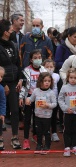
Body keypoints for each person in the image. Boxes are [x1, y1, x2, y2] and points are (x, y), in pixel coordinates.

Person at [0, 19, 22, 149]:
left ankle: (15, 137)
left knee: (15, 110)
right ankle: (0, 138)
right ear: (5, 32)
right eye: (10, 29)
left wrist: (20, 79)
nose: (13, 31)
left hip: (14, 82)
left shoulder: (13, 45)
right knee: (1, 111)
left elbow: (18, 63)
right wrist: (3, 84)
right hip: (2, 83)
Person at [19, 49, 47, 150]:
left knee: (37, 118)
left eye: (39, 58)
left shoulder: (44, 70)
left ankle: (36, 135)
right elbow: (23, 86)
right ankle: (26, 139)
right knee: (27, 119)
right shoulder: (26, 70)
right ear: (31, 59)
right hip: (29, 97)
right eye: (35, 58)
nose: (38, 60)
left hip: (40, 98)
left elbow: (47, 84)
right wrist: (21, 97)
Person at [25, 72, 57, 152]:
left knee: (46, 132)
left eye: (49, 81)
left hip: (47, 117)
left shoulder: (51, 93)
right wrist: (28, 100)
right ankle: (39, 144)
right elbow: (31, 99)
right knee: (38, 132)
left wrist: (48, 105)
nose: (47, 82)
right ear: (40, 81)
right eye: (45, 81)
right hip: (37, 116)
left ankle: (47, 145)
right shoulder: (36, 91)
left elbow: (55, 104)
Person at [58, 68, 76, 157]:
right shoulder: (64, 87)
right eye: (71, 77)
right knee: (67, 130)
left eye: (75, 78)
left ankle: (75, 146)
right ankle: (67, 147)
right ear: (68, 78)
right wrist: (65, 108)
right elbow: (60, 99)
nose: (73, 79)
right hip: (68, 113)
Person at [42, 59, 60, 142]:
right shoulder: (41, 75)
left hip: (54, 100)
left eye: (51, 67)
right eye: (47, 67)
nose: (49, 68)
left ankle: (54, 133)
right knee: (45, 117)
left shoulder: (57, 76)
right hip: (44, 100)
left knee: (53, 116)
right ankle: (45, 132)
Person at [0, 67, 6, 150]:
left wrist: (2, 113)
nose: (0, 78)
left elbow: (3, 102)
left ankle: (0, 139)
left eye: (1, 76)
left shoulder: (1, 89)